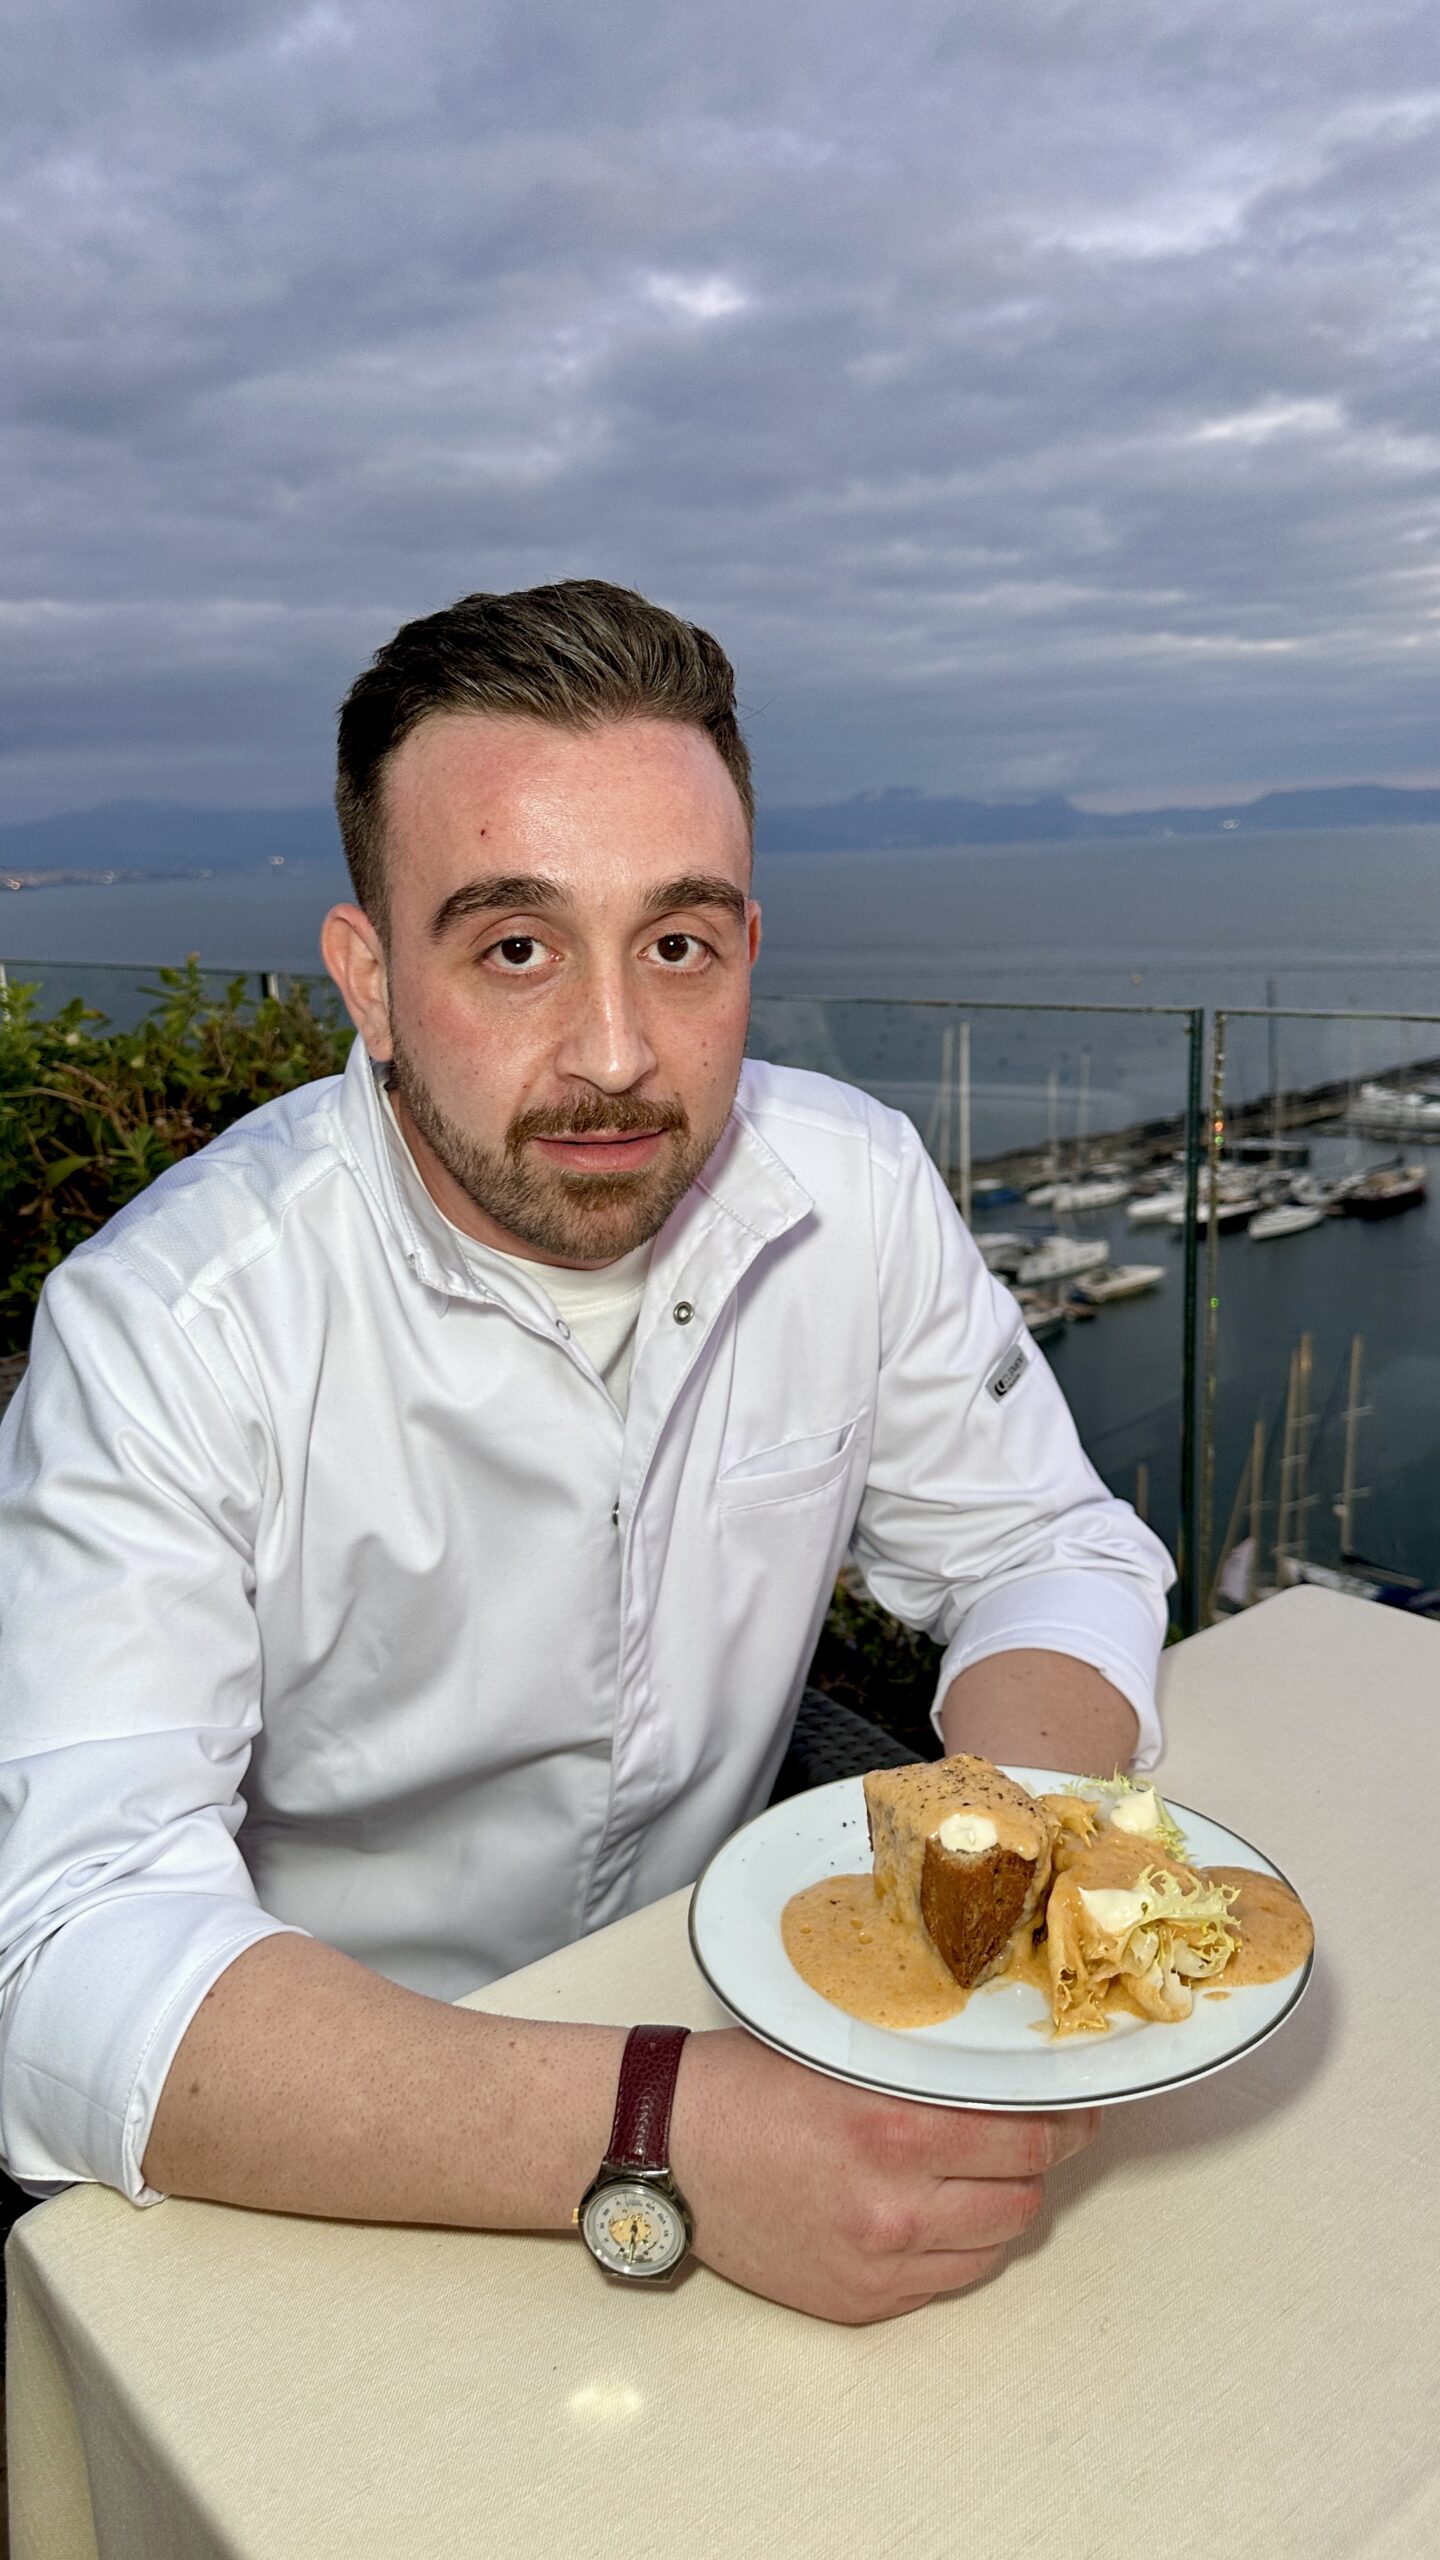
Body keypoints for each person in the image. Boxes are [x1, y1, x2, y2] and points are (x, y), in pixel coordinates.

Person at [0, 581, 1172, 2323]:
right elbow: (59, 1951)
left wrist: (995, 1878)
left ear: (749, 952)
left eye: (678, 945)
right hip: (323, 2129)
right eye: (516, 947)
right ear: (372, 980)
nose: (618, 1056)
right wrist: (667, 2128)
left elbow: (1043, 1550)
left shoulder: (852, 1192)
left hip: (756, 2040)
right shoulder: (171, 1326)